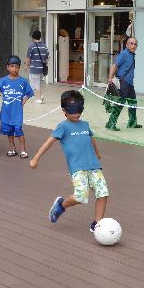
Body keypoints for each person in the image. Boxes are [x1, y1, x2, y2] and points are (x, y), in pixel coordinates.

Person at [30, 90, 109, 232]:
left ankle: (97, 224)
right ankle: (61, 205)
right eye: (72, 110)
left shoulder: (85, 124)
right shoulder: (63, 126)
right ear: (64, 111)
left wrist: (97, 153)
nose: (76, 113)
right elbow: (49, 142)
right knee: (80, 196)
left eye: (79, 109)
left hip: (94, 166)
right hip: (78, 167)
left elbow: (91, 139)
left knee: (103, 194)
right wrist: (35, 158)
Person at [0, 55, 33, 158]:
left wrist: (23, 101)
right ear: (7, 67)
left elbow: (29, 93)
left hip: (17, 111)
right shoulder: (3, 80)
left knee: (19, 130)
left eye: (16, 67)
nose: (14, 69)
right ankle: (12, 149)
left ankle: (23, 151)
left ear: (19, 68)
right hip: (6, 111)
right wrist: (2, 95)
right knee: (9, 131)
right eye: (12, 66)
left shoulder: (23, 81)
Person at [106, 37, 142, 131]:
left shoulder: (132, 55)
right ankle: (111, 124)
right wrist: (110, 77)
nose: (133, 46)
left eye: (135, 44)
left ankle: (132, 123)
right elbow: (115, 65)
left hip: (130, 84)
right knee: (120, 104)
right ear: (127, 44)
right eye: (131, 43)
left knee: (133, 103)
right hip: (123, 83)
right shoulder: (124, 54)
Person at [25, 30, 49, 104]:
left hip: (34, 67)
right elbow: (47, 57)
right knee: (34, 82)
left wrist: (26, 65)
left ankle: (39, 99)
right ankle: (40, 95)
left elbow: (28, 58)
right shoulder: (44, 46)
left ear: (32, 37)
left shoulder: (31, 46)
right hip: (42, 68)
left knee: (36, 83)